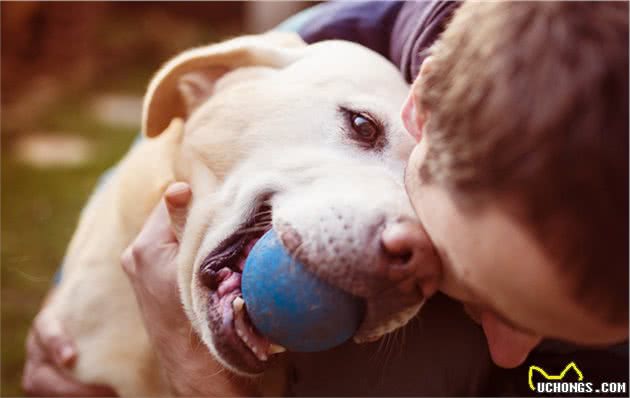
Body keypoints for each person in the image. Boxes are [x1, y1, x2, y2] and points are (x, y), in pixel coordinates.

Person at [23, 1, 628, 396]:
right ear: (426, 104)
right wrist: (71, 294)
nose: (511, 354)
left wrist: (197, 379)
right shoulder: (329, 46)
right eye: (363, 130)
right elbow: (181, 134)